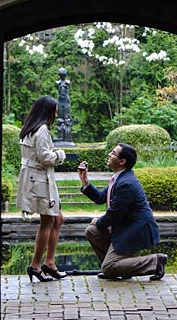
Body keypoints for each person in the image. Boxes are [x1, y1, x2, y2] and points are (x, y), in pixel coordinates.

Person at [77, 143, 167, 281]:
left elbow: (114, 215)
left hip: (136, 230)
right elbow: (101, 198)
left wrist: (98, 221)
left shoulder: (126, 183)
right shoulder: (119, 178)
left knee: (108, 266)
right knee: (91, 231)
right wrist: (85, 181)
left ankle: (155, 262)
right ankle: (120, 270)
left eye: (113, 153)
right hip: (126, 228)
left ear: (122, 161)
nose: (109, 154)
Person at [17, 95, 67, 282]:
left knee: (58, 218)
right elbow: (45, 157)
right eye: (54, 110)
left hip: (36, 179)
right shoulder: (42, 130)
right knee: (47, 221)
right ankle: (36, 265)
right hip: (40, 180)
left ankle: (49, 263)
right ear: (47, 111)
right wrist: (60, 154)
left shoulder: (29, 129)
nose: (56, 113)